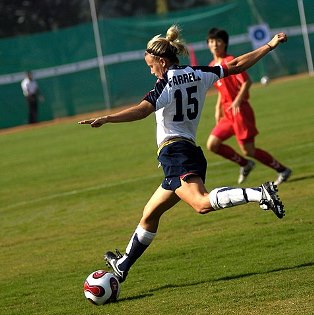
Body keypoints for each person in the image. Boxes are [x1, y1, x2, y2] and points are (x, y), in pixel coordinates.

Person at [79, 25, 287, 283]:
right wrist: (268, 46)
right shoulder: (200, 73)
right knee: (150, 214)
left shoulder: (165, 83)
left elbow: (142, 110)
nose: (150, 70)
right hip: (188, 151)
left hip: (175, 152)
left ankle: (260, 193)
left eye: (151, 66)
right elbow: (236, 66)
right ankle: (123, 265)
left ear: (162, 62)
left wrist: (108, 118)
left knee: (201, 203)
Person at [206, 28, 292, 185]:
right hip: (227, 114)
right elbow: (221, 90)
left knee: (249, 150)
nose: (215, 44)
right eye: (211, 41)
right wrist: (218, 108)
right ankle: (245, 164)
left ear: (224, 43)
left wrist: (238, 100)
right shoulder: (212, 65)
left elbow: (247, 82)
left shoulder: (231, 61)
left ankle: (282, 170)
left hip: (240, 112)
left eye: (218, 41)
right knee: (212, 144)